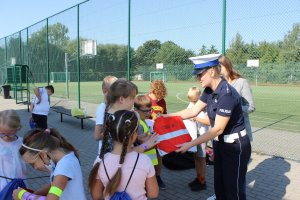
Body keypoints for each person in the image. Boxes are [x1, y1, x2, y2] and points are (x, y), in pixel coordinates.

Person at [168, 54, 251, 200]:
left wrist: (190, 144)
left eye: (201, 74)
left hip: (235, 147)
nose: (198, 78)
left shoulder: (227, 94)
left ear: (212, 71)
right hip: (220, 144)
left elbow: (217, 128)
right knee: (220, 187)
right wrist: (168, 116)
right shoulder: (209, 90)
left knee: (233, 192)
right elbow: (193, 111)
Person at [89, 110, 159, 200]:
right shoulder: (144, 160)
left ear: (110, 133)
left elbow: (96, 196)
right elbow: (153, 194)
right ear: (134, 135)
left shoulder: (100, 161)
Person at [13, 128, 86, 200]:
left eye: (33, 164)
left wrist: (23, 195)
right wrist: (37, 193)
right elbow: (55, 184)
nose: (35, 168)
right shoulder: (63, 160)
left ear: (43, 154)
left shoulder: (64, 166)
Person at [219, 55, 255, 141]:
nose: (217, 70)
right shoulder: (218, 84)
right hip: (222, 134)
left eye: (219, 66)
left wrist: (232, 110)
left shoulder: (242, 82)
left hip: (240, 135)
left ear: (227, 66)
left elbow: (251, 107)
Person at [186, 87, 210, 192]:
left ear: (199, 97)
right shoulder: (191, 104)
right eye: (191, 100)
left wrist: (196, 118)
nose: (192, 102)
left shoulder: (205, 106)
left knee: (201, 158)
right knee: (196, 157)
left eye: (194, 100)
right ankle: (198, 177)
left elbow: (209, 122)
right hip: (194, 135)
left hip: (202, 135)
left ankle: (202, 181)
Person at [147, 80, 167, 189]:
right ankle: (147, 178)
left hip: (159, 133)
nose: (159, 99)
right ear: (152, 91)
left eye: (161, 97)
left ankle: (158, 177)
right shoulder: (145, 100)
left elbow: (165, 115)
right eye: (157, 96)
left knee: (159, 155)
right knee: (149, 157)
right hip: (147, 134)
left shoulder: (162, 101)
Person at [0, 110, 26, 192]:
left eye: (10, 133)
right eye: (2, 134)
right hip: (2, 183)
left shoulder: (22, 143)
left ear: (18, 128)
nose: (6, 137)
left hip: (18, 182)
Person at [94, 76, 118, 157]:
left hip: (117, 153)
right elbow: (97, 136)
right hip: (106, 155)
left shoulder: (117, 107)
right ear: (104, 90)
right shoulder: (102, 108)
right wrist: (115, 130)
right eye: (114, 89)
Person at [134, 94, 158, 166]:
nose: (148, 113)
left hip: (148, 162)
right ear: (136, 110)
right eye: (145, 111)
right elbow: (141, 146)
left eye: (149, 110)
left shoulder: (144, 121)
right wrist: (157, 144)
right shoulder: (139, 125)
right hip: (143, 162)